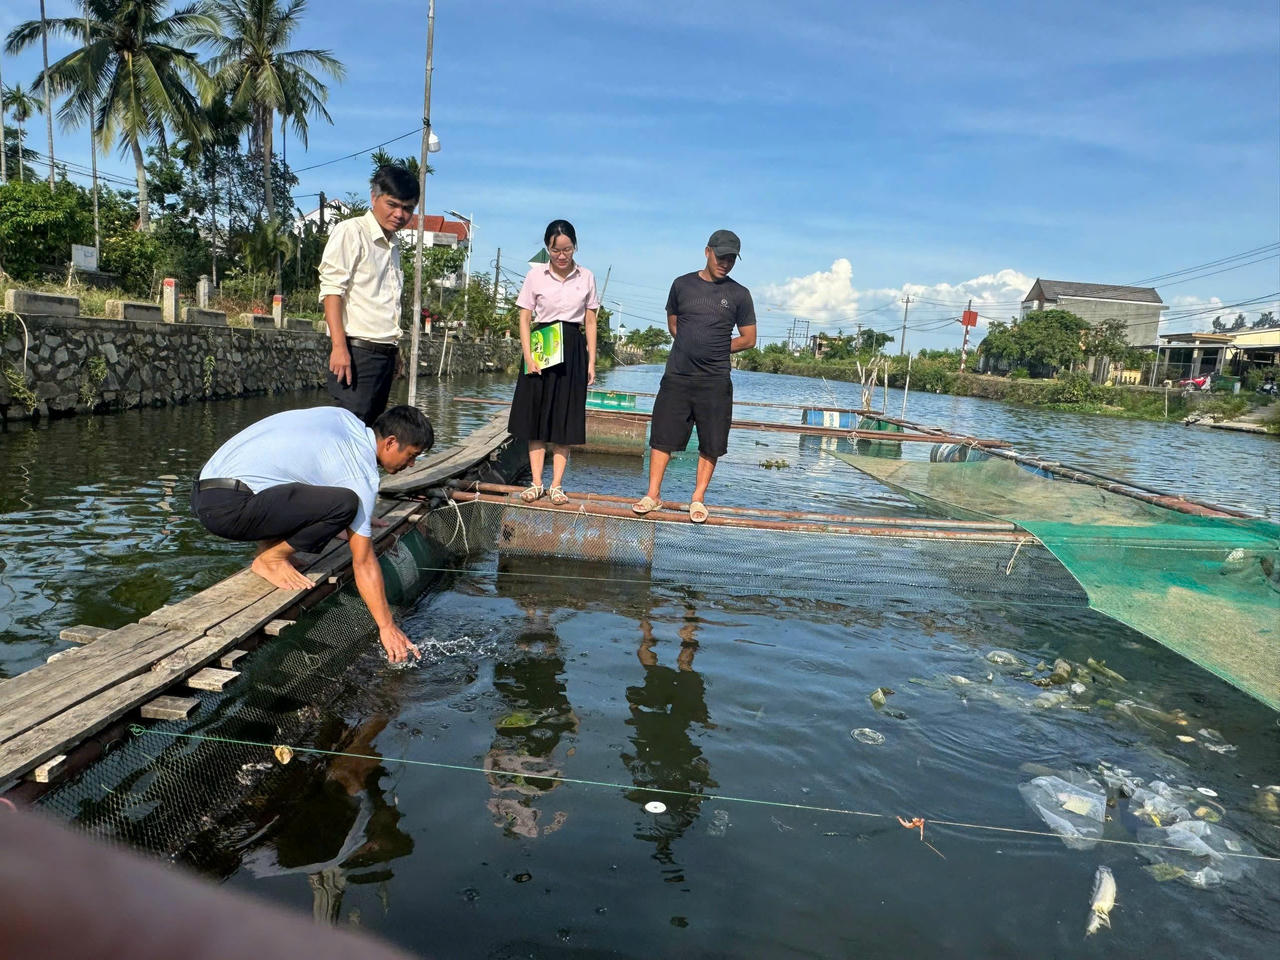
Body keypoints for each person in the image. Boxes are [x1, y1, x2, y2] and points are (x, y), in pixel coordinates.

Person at [190, 405, 432, 663]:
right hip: (229, 509)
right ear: (391, 442)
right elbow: (363, 561)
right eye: (411, 455)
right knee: (346, 504)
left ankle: (271, 547)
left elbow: (305, 466)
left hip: (204, 490)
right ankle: (271, 559)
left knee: (342, 505)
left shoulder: (343, 418)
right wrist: (386, 626)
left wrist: (353, 520)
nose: (411, 464)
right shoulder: (362, 475)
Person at [633, 230, 756, 523]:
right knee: (662, 436)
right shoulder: (682, 285)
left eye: (731, 259)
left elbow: (749, 338)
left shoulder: (740, 294)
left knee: (711, 441)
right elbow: (674, 324)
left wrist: (717, 347)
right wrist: (691, 344)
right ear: (707, 251)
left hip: (715, 379)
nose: (725, 263)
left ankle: (698, 498)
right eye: (720, 256)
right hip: (678, 374)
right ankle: (653, 494)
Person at [319, 165, 419, 426]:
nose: (399, 214)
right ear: (374, 198)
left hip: (384, 355)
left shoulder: (393, 244)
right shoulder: (352, 232)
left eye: (407, 208)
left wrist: (395, 352)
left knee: (370, 432)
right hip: (356, 353)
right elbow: (332, 291)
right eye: (392, 204)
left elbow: (386, 303)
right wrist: (339, 348)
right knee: (349, 431)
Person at [508, 219, 599, 504]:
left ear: (575, 247)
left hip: (572, 347)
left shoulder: (586, 277)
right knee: (535, 417)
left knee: (565, 417)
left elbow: (591, 320)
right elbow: (525, 317)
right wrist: (528, 356)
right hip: (542, 344)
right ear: (548, 248)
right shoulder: (535, 276)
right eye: (555, 250)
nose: (561, 256)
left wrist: (591, 361)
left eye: (567, 250)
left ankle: (557, 485)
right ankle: (536, 483)